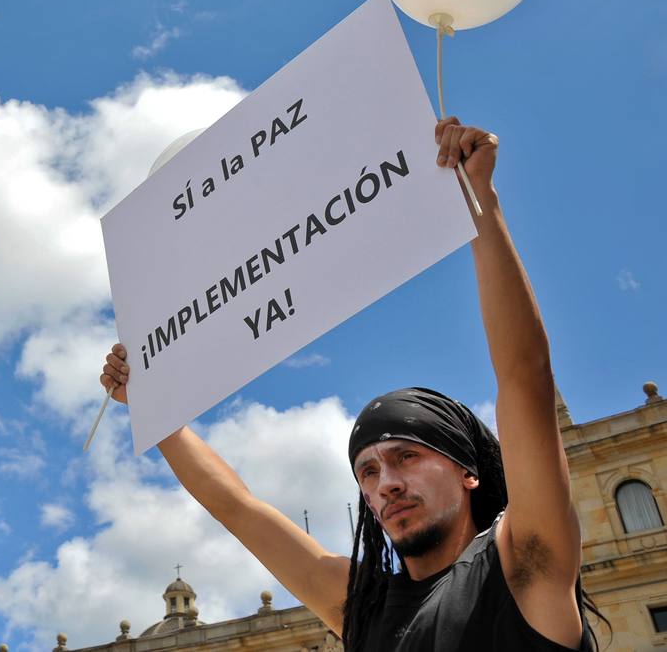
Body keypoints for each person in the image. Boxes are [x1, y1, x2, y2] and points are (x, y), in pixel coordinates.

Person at [100, 118, 597, 651]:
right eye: (368, 471)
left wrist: (481, 205)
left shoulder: (526, 565)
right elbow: (239, 509)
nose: (385, 484)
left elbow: (524, 377)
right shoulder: (362, 609)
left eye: (406, 456)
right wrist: (151, 405)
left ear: (467, 470)